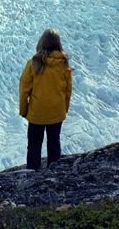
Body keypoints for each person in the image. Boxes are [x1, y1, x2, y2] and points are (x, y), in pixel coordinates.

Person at [19, 28, 74, 170]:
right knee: (54, 142)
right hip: (56, 112)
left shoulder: (34, 62)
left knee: (34, 145)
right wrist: (64, 109)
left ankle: (32, 175)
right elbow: (68, 90)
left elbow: (24, 89)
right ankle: (54, 173)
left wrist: (24, 111)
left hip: (36, 113)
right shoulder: (63, 63)